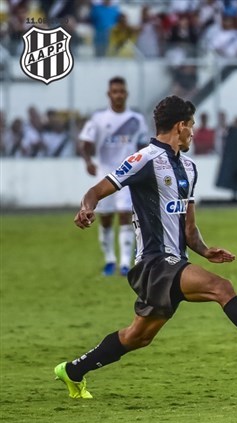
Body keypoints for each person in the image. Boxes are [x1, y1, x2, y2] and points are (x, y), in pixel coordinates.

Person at [54, 95, 237, 400]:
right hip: (153, 263)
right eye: (191, 125)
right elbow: (96, 190)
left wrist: (204, 250)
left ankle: (72, 371)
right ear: (180, 126)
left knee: (137, 337)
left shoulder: (189, 168)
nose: (193, 131)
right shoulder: (145, 159)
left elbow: (188, 228)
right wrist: (87, 208)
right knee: (222, 288)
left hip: (174, 262)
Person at [78, 77, 149, 276]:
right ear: (109, 94)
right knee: (106, 219)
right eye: (114, 91)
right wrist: (88, 161)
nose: (118, 95)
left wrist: (143, 167)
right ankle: (110, 260)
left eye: (121, 91)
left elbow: (143, 145)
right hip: (105, 175)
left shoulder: (137, 119)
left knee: (126, 215)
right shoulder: (99, 119)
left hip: (128, 174)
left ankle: (125, 263)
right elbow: (83, 143)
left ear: (126, 94)